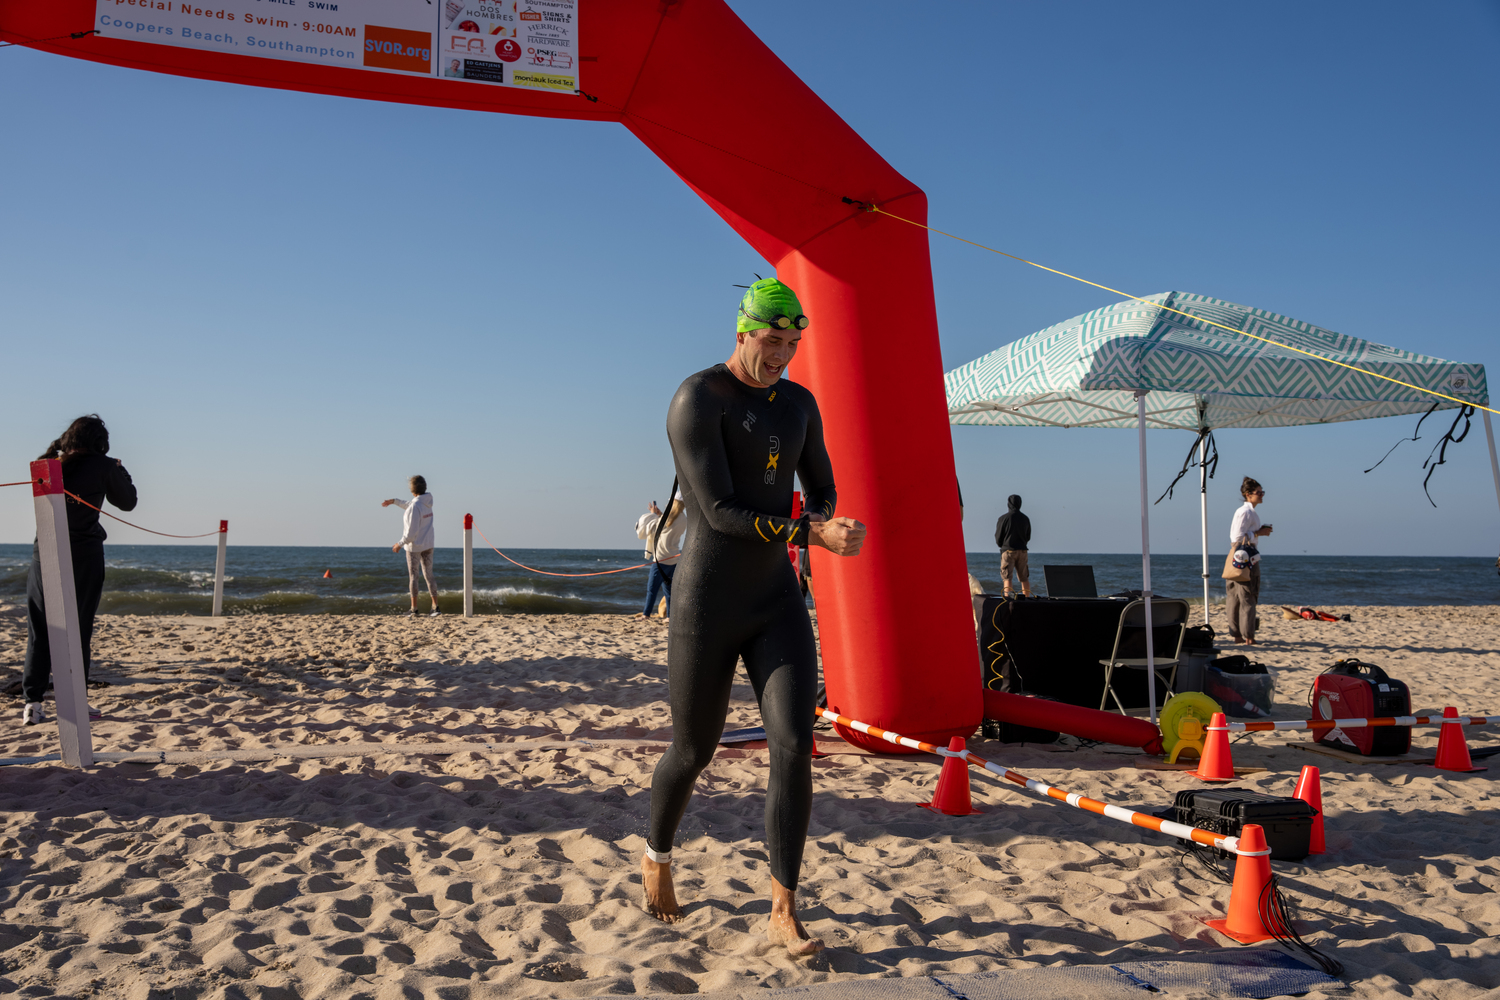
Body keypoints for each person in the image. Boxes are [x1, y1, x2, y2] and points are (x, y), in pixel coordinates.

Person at [644, 278, 866, 956]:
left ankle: (783, 907)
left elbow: (819, 482)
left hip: (775, 604)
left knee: (794, 745)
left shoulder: (798, 403)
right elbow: (720, 515)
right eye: (773, 342)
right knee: (693, 750)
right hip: (707, 601)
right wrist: (811, 537)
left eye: (793, 345)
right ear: (742, 332)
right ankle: (656, 852)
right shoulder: (698, 399)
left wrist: (826, 517)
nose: (783, 357)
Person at [23, 415, 137, 726]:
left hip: (42, 554)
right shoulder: (102, 465)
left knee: (40, 631)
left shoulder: (48, 464)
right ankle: (73, 700)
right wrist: (118, 468)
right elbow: (128, 502)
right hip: (84, 555)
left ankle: (32, 703)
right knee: (78, 629)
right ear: (99, 442)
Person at [382, 476, 439, 617]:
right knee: (429, 575)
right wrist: (394, 501)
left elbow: (411, 534)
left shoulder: (415, 506)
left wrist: (399, 544)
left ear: (412, 490)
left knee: (414, 577)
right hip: (428, 544)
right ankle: (435, 607)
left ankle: (414, 609)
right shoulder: (426, 502)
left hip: (415, 546)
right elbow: (410, 504)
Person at [1226, 476, 1272, 645]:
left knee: (1235, 597)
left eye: (1262, 492)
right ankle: (1248, 638)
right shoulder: (1246, 512)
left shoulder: (1245, 512)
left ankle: (1238, 635)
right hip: (1246, 556)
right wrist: (1260, 533)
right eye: (1258, 493)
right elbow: (1237, 537)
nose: (1262, 495)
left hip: (1237, 556)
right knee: (1248, 596)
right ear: (1248, 494)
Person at [635, 495, 686, 618]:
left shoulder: (667, 517)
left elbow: (653, 527)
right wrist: (659, 514)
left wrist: (653, 514)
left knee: (652, 590)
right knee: (669, 592)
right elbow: (668, 523)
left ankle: (646, 614)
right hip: (673, 559)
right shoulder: (683, 518)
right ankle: (669, 616)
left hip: (660, 560)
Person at [994, 494, 1032, 597]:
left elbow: (998, 537)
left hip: (1008, 550)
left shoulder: (1003, 518)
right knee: (1024, 578)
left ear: (1008, 504)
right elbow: (1028, 536)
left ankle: (1008, 601)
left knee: (1007, 578)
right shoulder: (1025, 518)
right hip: (1023, 550)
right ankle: (1027, 600)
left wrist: (1002, 545)